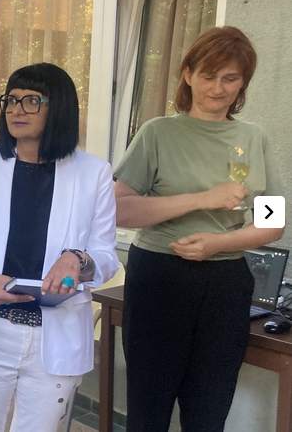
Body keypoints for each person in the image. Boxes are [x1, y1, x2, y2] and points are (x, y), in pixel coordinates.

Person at [0, 63, 119, 432]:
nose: (16, 110)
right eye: (11, 100)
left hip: (55, 334)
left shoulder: (93, 173)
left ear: (59, 107)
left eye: (32, 100)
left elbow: (106, 256)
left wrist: (77, 259)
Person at [115, 26, 284, 431]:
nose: (218, 88)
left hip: (227, 282)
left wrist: (219, 243)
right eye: (208, 75)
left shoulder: (254, 138)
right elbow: (119, 210)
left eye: (230, 78)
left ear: (243, 82)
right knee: (149, 406)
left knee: (210, 407)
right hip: (160, 276)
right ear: (188, 74)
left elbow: (273, 222)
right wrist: (204, 198)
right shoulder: (158, 132)